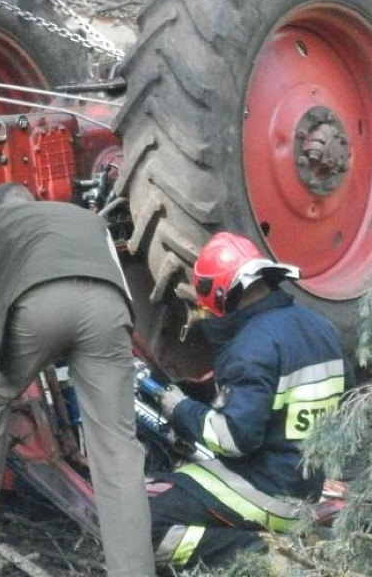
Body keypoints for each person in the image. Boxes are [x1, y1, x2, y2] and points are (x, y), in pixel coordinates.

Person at [0, 182, 155, 577]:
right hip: (108, 311)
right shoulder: (88, 222)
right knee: (118, 451)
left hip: (38, 310)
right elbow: (122, 294)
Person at [147, 231, 353, 571]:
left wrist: (182, 409)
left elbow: (233, 439)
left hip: (269, 489)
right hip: (306, 483)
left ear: (217, 292)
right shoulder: (319, 326)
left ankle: (269, 559)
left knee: (144, 520)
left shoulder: (250, 347)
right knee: (188, 485)